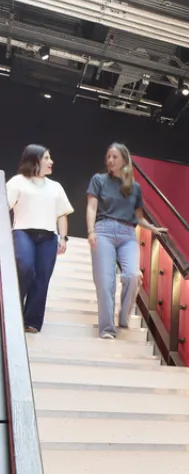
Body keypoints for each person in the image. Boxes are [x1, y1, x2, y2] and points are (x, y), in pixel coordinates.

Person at [86, 142, 164, 340]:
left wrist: (152, 228)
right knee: (105, 280)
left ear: (124, 160)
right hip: (103, 230)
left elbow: (138, 217)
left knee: (132, 275)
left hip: (128, 233)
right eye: (109, 157)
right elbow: (91, 208)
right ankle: (107, 328)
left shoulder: (134, 188)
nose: (110, 160)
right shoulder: (99, 180)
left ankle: (124, 315)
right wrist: (90, 231)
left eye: (115, 157)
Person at [6, 144, 74, 333]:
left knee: (42, 278)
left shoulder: (56, 187)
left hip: (48, 237)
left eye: (50, 158)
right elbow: (4, 207)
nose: (51, 162)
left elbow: (62, 214)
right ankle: (13, 311)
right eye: (46, 158)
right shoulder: (17, 182)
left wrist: (63, 237)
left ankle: (32, 322)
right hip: (23, 232)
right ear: (34, 160)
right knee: (25, 267)